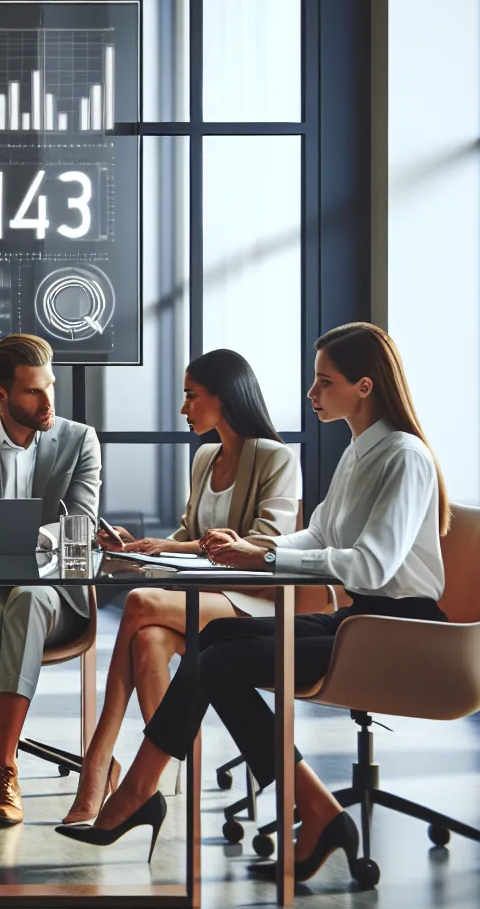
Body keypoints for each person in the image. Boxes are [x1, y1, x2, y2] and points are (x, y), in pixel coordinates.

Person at [58, 322, 450, 887]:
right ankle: (310, 811)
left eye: (324, 382)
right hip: (359, 620)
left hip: (400, 630)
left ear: (364, 386)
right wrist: (253, 550)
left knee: (218, 659)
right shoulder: (359, 453)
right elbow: (315, 538)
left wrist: (263, 561)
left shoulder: (403, 456)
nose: (312, 395)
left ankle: (140, 792)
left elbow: (372, 566)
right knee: (214, 643)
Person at [63, 349, 302, 825]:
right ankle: (167, 780)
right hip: (202, 597)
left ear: (224, 398)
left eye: (192, 396)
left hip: (253, 604)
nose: (183, 408)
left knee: (136, 603)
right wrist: (144, 549)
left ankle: (98, 765)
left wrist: (183, 550)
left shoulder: (276, 458)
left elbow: (267, 545)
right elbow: (188, 535)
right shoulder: (205, 456)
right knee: (148, 639)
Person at [0, 333, 102, 825]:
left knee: (26, 601)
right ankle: (8, 756)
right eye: (33, 391)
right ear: (1, 394)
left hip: (50, 586)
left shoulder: (78, 440)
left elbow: (83, 524)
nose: (48, 401)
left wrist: (31, 541)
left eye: (50, 386)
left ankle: (3, 764)